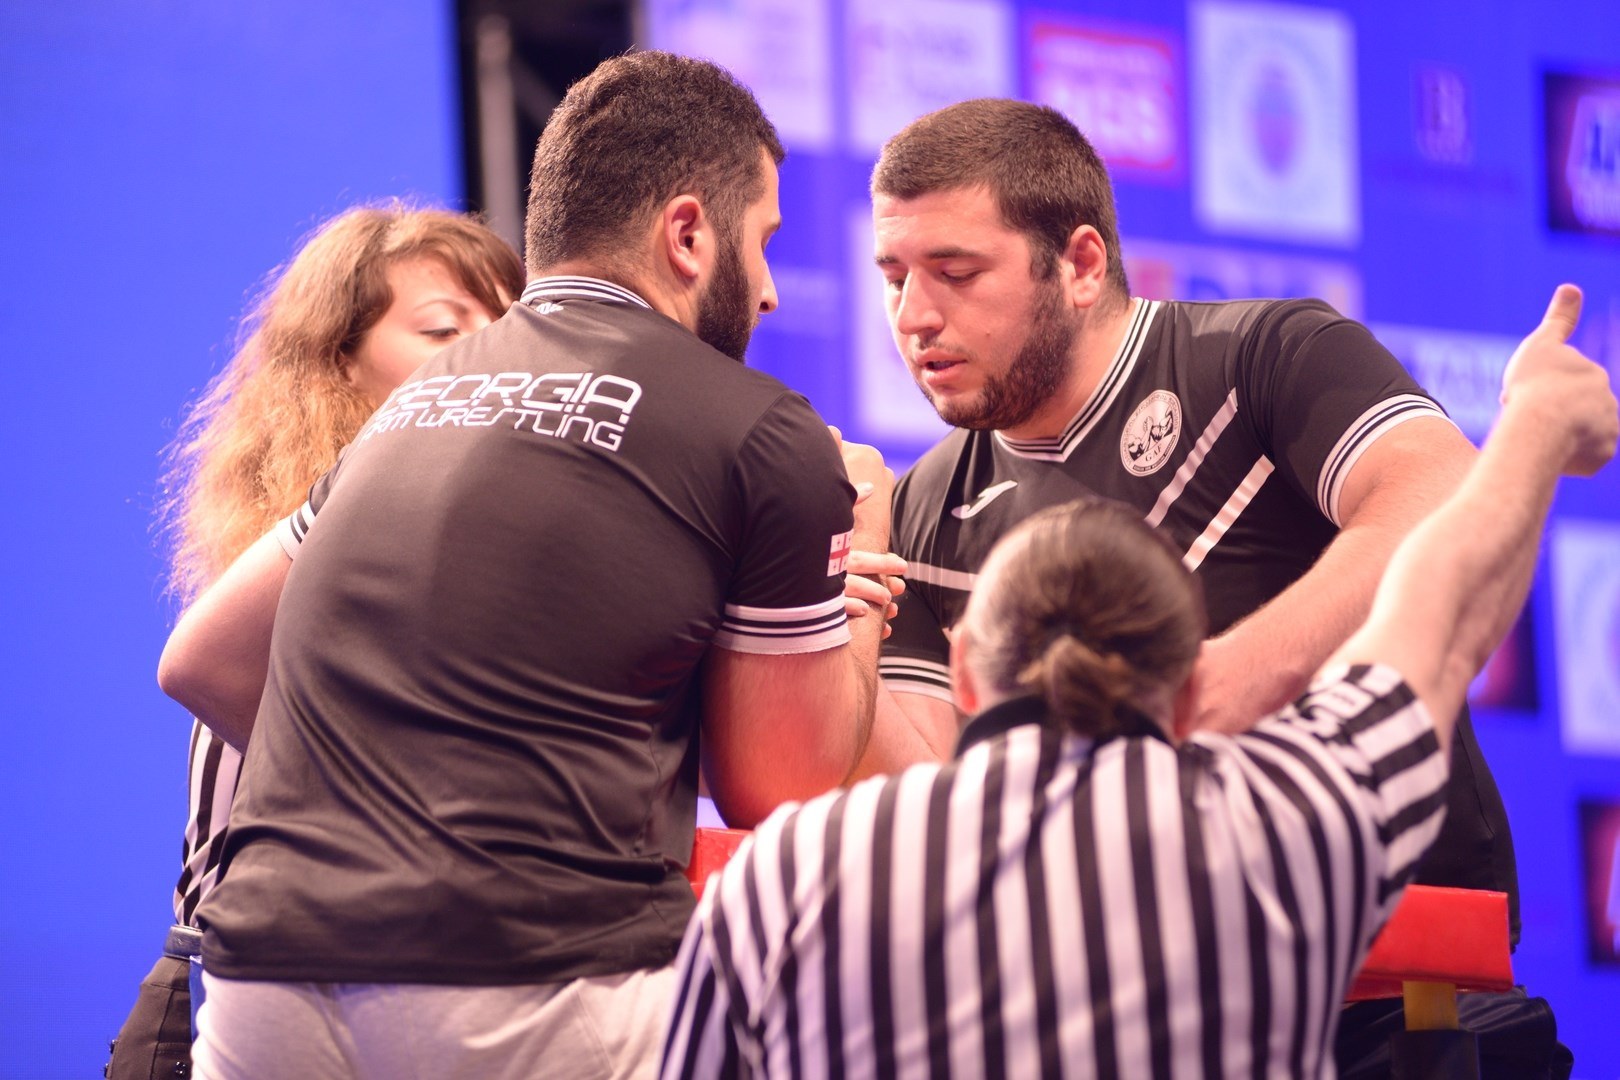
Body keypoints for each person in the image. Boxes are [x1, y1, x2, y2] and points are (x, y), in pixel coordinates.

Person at [658, 284, 1618, 1078]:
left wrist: (844, 546)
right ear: (1193, 689)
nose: (914, 310)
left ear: (965, 673)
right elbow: (1444, 621)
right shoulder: (1286, 831)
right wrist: (1533, 425)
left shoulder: (793, 873)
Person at [155, 52, 894, 1080]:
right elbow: (781, 786)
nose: (768, 293)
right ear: (688, 234)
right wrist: (862, 552)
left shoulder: (411, 403)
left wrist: (402, 787)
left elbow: (203, 660)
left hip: (264, 982)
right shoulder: (768, 435)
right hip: (522, 980)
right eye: (763, 242)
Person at [857, 98, 1555, 1073]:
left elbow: (1440, 494)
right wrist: (836, 612)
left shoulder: (1265, 354)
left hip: (1392, 995)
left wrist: (1215, 688)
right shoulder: (921, 509)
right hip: (1129, 1024)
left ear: (1084, 264)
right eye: (892, 278)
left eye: (956, 273)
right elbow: (926, 789)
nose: (913, 315)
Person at [105, 204, 522, 1080]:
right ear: (339, 364)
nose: (492, 353)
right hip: (238, 1002)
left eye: (509, 325)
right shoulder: (336, 544)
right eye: (446, 329)